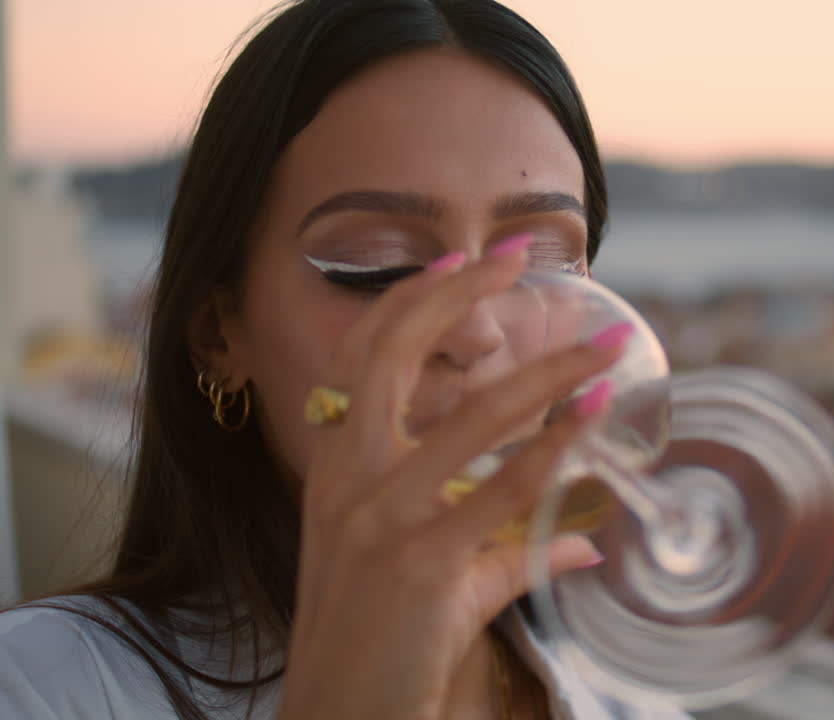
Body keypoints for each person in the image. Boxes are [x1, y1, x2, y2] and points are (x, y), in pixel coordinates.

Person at [0, 1, 692, 718]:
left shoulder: (635, 707)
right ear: (218, 335)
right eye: (377, 265)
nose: (478, 327)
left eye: (542, 262)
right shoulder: (35, 690)